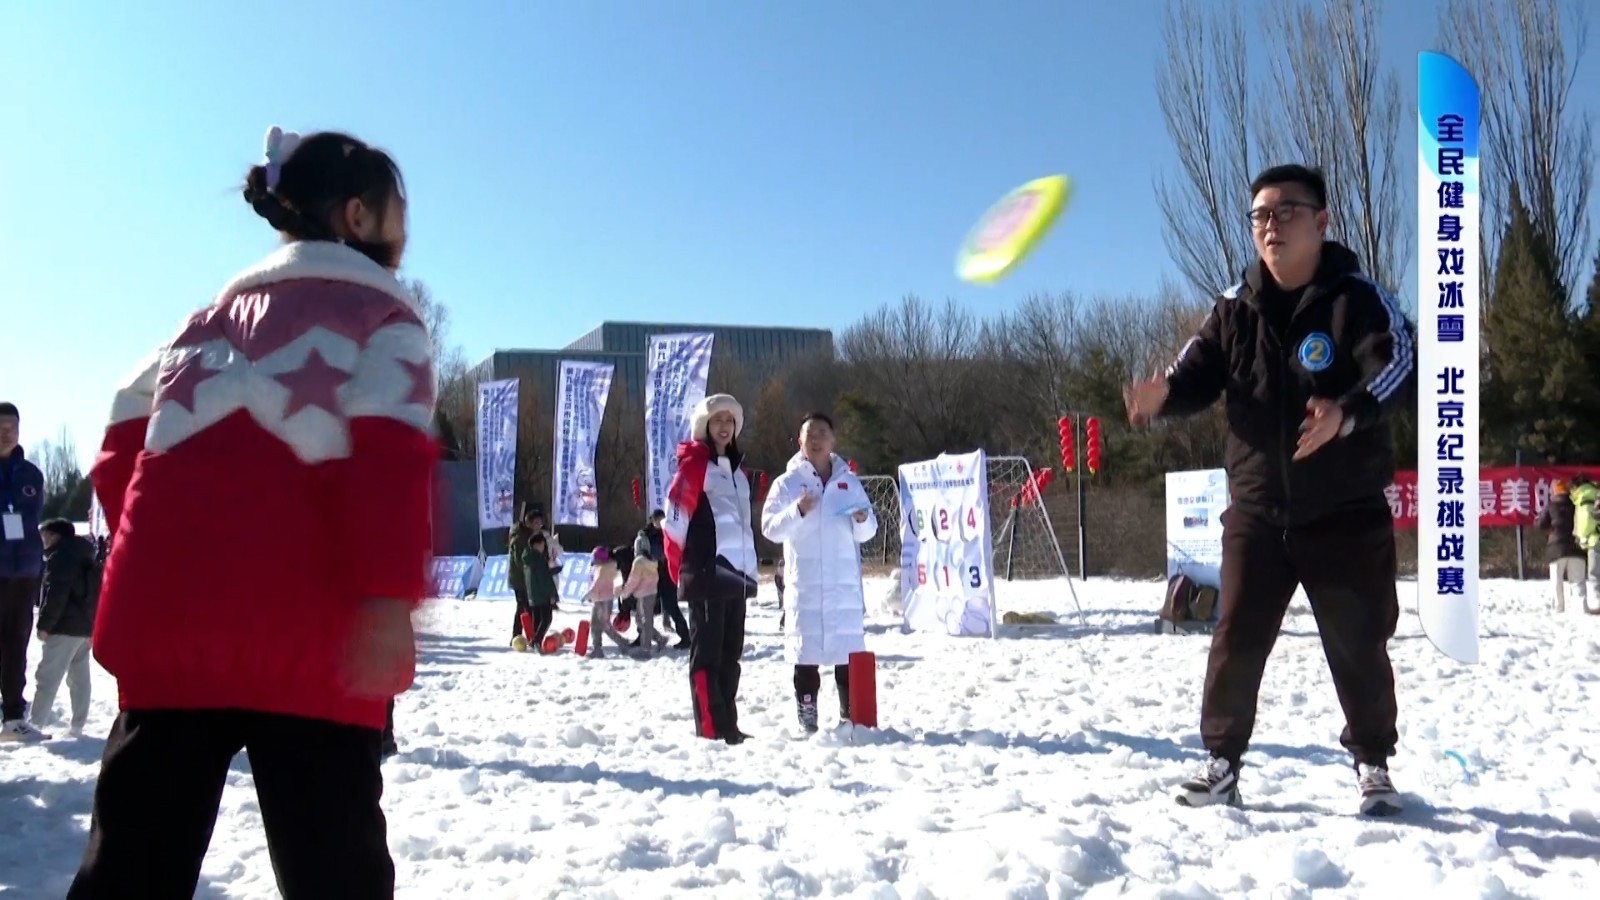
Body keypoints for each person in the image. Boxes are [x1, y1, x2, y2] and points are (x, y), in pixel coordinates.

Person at [68, 126, 437, 899]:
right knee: (334, 867)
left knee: (130, 867)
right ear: (359, 218)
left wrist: (161, 547)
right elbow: (390, 461)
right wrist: (385, 598)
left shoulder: (200, 324)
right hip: (312, 633)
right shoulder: (383, 319)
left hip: (168, 633)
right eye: (399, 215)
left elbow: (119, 442)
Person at [1123, 164, 1413, 817]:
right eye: (1259, 216)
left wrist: (1347, 413)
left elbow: (1400, 366)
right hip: (1257, 509)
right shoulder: (1235, 305)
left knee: (1359, 642)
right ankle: (1222, 762)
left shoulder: (1357, 298)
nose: (1271, 226)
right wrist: (1164, 396)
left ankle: (1373, 764)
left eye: (1286, 211)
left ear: (1322, 220)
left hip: (1344, 511)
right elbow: (1193, 373)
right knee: (1236, 638)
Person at [760, 413, 877, 733]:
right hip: (807, 584)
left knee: (847, 653)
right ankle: (807, 714)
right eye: (809, 434)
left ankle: (850, 714)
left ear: (832, 441)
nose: (816, 439)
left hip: (842, 585)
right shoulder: (787, 483)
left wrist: (862, 518)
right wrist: (797, 510)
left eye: (822, 433)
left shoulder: (848, 482)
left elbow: (868, 531)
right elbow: (769, 527)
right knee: (806, 652)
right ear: (800, 442)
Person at [663, 393, 759, 744]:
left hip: (737, 577)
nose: (723, 425)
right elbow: (674, 523)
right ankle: (709, 727)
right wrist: (680, 571)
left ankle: (728, 724)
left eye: (729, 420)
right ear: (704, 426)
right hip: (705, 575)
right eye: (717, 419)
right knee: (707, 652)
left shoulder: (739, 474)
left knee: (731, 653)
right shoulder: (693, 467)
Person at [0, 401, 48, 743]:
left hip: (24, 571)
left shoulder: (31, 473)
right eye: (1, 427)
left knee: (17, 645)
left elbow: (33, 518)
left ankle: (14, 717)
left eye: (12, 427)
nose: (7, 433)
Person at [29, 519, 100, 738]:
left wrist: (45, 625)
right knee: (79, 678)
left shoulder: (61, 557)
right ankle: (78, 724)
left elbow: (56, 593)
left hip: (64, 627)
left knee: (48, 676)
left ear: (55, 536)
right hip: (85, 627)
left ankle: (35, 723)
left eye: (45, 535)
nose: (43, 540)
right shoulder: (86, 555)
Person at [1537, 481, 1591, 614]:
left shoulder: (1550, 506)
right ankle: (1582, 606)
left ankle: (1558, 608)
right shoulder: (1577, 505)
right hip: (1576, 547)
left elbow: (1541, 524)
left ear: (1555, 491)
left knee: (1556, 581)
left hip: (1556, 549)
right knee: (1578, 580)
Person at [638, 509, 690, 648]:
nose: (659, 523)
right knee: (645, 609)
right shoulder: (645, 535)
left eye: (661, 520)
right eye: (657, 520)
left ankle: (686, 636)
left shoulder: (669, 533)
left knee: (671, 606)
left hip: (667, 575)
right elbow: (641, 552)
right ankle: (642, 637)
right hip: (651, 574)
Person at [618, 542, 670, 657]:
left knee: (643, 621)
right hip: (651, 593)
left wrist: (625, 593)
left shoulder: (639, 561)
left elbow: (633, 580)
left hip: (642, 594)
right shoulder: (653, 561)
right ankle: (659, 638)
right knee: (641, 620)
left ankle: (646, 647)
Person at [580, 546, 630, 659]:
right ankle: (598, 648)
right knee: (596, 625)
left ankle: (622, 643)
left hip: (602, 601)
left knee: (604, 625)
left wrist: (587, 595)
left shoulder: (602, 569)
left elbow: (596, 585)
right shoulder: (610, 567)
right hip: (603, 600)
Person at [522, 532, 559, 650]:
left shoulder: (527, 559)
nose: (544, 547)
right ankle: (537, 641)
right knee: (547, 618)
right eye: (543, 544)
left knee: (537, 619)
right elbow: (545, 579)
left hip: (533, 594)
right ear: (537, 544)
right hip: (542, 595)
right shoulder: (539, 560)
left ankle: (534, 641)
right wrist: (553, 595)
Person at [507, 508, 535, 646]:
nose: (538, 526)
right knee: (523, 607)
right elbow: (519, 561)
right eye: (535, 523)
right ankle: (517, 636)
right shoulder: (519, 538)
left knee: (525, 607)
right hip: (519, 579)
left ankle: (525, 636)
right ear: (528, 523)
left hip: (526, 579)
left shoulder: (530, 536)